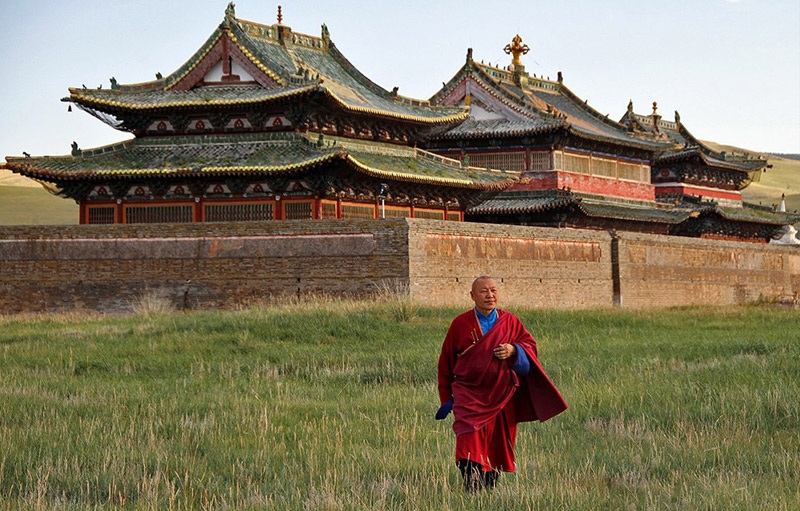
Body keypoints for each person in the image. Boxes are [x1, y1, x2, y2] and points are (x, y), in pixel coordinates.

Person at [436, 276, 568, 492]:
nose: (490, 295)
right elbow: (446, 363)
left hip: (502, 395)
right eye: (484, 291)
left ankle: (489, 489)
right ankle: (471, 489)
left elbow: (530, 347)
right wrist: (446, 398)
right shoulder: (460, 324)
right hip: (469, 395)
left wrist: (515, 350)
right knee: (467, 438)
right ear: (472, 296)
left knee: (496, 444)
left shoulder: (510, 321)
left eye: (494, 290)